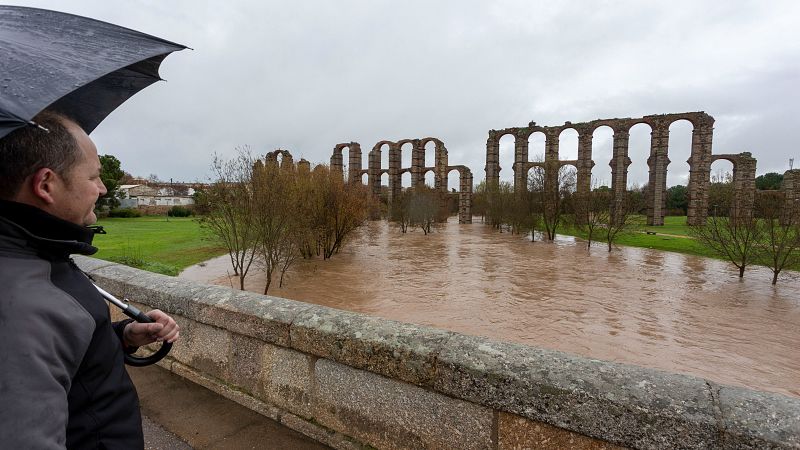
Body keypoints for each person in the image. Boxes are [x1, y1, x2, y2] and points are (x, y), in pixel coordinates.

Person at [0, 110, 180, 449]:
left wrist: (124, 337)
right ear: (46, 185)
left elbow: (61, 354)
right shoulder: (20, 305)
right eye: (93, 176)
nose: (103, 187)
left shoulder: (37, 252)